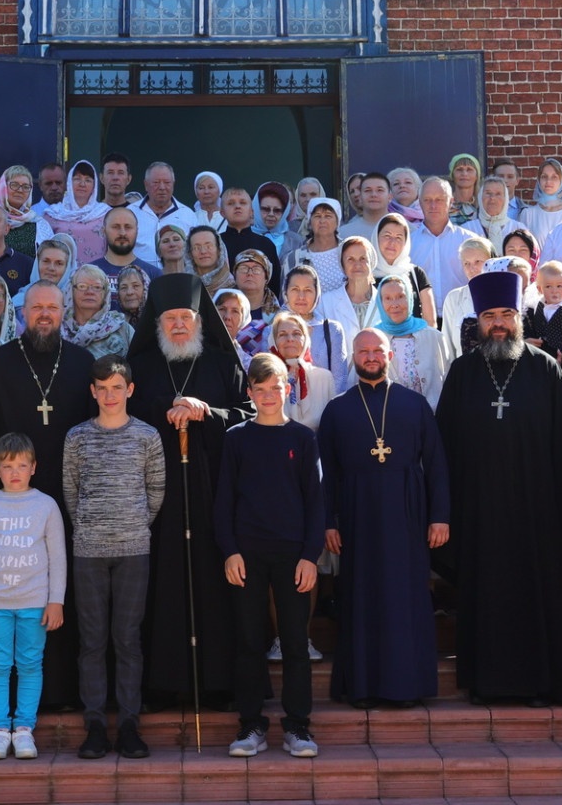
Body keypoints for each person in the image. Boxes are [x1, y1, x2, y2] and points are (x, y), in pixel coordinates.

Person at [435, 270, 562, 706]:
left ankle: (544, 683)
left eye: (506, 314)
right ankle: (489, 683)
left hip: (538, 512)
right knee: (487, 597)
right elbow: (444, 447)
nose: (498, 323)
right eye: (489, 316)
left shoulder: (546, 369)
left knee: (539, 593)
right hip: (479, 512)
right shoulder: (462, 373)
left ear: (519, 317)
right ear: (478, 321)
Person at [0, 281, 96, 709]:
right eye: (37, 308)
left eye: (52, 308)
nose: (45, 315)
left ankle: (62, 693)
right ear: (22, 312)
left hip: (68, 504)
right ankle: (1, 708)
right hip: (7, 504)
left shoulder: (82, 363)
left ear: (64, 311)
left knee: (57, 597)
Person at [125, 274, 253, 707]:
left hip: (214, 494)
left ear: (200, 321)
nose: (179, 325)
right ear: (157, 324)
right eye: (171, 318)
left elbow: (249, 415)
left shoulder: (222, 363)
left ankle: (219, 684)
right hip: (155, 500)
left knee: (216, 585)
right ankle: (162, 684)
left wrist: (206, 412)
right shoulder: (138, 370)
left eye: (187, 317)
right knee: (161, 588)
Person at [318, 327, 449, 708]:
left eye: (378, 350)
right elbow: (327, 472)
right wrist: (329, 521)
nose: (371, 357)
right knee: (362, 596)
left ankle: (407, 686)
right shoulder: (337, 409)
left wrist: (440, 516)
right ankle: (362, 686)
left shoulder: (414, 404)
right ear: (354, 358)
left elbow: (437, 463)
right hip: (357, 516)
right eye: (364, 352)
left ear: (389, 355)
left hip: (408, 513)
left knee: (405, 596)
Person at [218, 353, 323, 759]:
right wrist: (230, 551)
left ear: (288, 389)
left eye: (275, 387)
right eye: (259, 389)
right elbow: (224, 500)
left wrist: (310, 555)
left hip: (293, 555)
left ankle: (298, 725)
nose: (267, 395)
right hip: (247, 556)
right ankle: (251, 725)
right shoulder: (236, 438)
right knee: (248, 641)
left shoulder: (303, 438)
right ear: (249, 393)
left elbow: (316, 502)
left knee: (295, 642)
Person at [63, 358, 165, 761]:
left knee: (127, 640)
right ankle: (93, 726)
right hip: (88, 550)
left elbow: (155, 491)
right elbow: (70, 492)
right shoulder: (77, 437)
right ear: (92, 391)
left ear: (130, 390)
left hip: (133, 549)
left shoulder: (147, 437)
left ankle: (127, 725)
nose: (109, 395)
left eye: (116, 387)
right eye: (102, 387)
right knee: (91, 641)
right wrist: (90, 525)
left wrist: (133, 524)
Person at [0, 432, 68, 762]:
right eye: (8, 466)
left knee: (29, 664)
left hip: (34, 602)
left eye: (22, 465)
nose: (15, 472)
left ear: (34, 467)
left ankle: (23, 729)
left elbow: (58, 557)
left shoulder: (46, 505)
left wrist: (56, 600)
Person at [273, 265, 351, 395]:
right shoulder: (272, 330)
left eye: (308, 290)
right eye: (295, 289)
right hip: (284, 408)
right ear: (285, 292)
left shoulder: (332, 329)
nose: (301, 296)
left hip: (324, 408)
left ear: (317, 293)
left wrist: (329, 411)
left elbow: (339, 380)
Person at [375, 272, 446, 407]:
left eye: (401, 296)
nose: (394, 304)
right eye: (388, 298)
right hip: (388, 421)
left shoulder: (434, 337)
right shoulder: (373, 339)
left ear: (410, 298)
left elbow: (448, 379)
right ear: (380, 302)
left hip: (431, 418)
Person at [264, 311, 335, 429]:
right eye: (282, 334)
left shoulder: (324, 378)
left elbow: (332, 426)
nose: (290, 339)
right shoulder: (266, 380)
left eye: (296, 333)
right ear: (273, 341)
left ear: (306, 339)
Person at [409, 177, 473, 305]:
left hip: (459, 318)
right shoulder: (408, 243)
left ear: (451, 202)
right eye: (427, 200)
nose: (433, 205)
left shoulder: (468, 241)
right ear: (420, 203)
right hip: (421, 320)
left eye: (439, 200)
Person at [437, 235, 496, 365]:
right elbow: (447, 348)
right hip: (464, 376)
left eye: (478, 262)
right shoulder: (454, 298)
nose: (471, 268)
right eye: (466, 263)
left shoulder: (503, 295)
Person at [372, 212, 438, 326]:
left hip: (415, 341)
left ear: (405, 243)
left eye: (399, 238)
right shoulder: (367, 275)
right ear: (376, 238)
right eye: (387, 236)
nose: (392, 243)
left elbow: (430, 322)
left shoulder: (416, 274)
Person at [88, 206, 160, 301]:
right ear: (103, 231)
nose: (122, 233)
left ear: (137, 231)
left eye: (128, 227)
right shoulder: (88, 273)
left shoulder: (153, 275)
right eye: (116, 227)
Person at [63, 264, 134, 360]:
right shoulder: (57, 329)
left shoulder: (123, 329)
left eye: (97, 287)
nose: (90, 292)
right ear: (71, 291)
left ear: (105, 293)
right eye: (82, 286)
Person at [47, 161, 111, 264]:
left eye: (88, 180)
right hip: (62, 275)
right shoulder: (53, 213)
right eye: (77, 179)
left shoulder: (105, 213)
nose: (82, 184)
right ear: (69, 182)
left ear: (94, 186)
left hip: (96, 275)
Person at [130, 161, 198, 251]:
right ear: (146, 185)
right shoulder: (130, 213)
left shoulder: (188, 215)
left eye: (167, 182)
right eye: (156, 182)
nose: (162, 187)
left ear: (173, 184)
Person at [288, 197, 346, 295]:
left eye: (328, 216)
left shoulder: (349, 252)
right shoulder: (294, 258)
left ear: (337, 222)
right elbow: (286, 294)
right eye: (317, 216)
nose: (322, 221)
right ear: (310, 222)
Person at [518, 159, 562, 247]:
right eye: (544, 176)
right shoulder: (528, 214)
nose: (548, 181)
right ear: (539, 180)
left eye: (554, 177)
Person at [332, 235, 377, 333]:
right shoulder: (327, 303)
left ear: (371, 263)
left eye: (363, 258)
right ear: (342, 265)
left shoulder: (385, 300)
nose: (357, 265)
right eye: (350, 259)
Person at [0, 166, 44, 258]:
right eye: (14, 185)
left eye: (25, 187)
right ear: (3, 187)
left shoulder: (39, 223)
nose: (20, 190)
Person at [464, 176, 520, 252]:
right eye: (488, 193)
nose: (492, 198)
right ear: (480, 197)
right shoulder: (467, 229)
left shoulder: (518, 229)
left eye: (498, 194)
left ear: (505, 198)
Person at [219, 187, 269, 265]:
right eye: (231, 203)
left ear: (251, 212)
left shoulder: (266, 244)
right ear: (222, 213)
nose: (237, 206)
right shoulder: (216, 244)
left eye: (243, 203)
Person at [338, 173, 393, 242]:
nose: (373, 195)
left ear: (390, 197)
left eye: (380, 190)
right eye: (368, 190)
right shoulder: (344, 233)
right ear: (360, 196)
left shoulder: (406, 229)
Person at [232, 248, 279, 325]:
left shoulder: (280, 316)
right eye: (244, 268)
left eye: (256, 269)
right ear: (235, 275)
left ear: (266, 277)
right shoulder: (221, 308)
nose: (250, 273)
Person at [213, 288, 256, 369]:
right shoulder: (197, 358)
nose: (227, 317)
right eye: (222, 309)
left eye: (235, 311)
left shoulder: (250, 367)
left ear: (243, 319)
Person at [187, 225, 233, 296]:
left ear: (219, 250)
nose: (203, 251)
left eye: (209, 246)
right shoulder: (184, 287)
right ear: (190, 253)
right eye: (196, 247)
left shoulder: (234, 287)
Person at [253, 181, 294, 260]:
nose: (271, 214)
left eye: (277, 210)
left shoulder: (296, 241)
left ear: (284, 212)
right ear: (257, 209)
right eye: (266, 209)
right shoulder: (244, 237)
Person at [446, 153, 482, 225]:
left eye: (469, 169)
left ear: (477, 176)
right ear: (452, 175)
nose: (464, 174)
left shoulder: (483, 206)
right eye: (459, 169)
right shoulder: (444, 205)